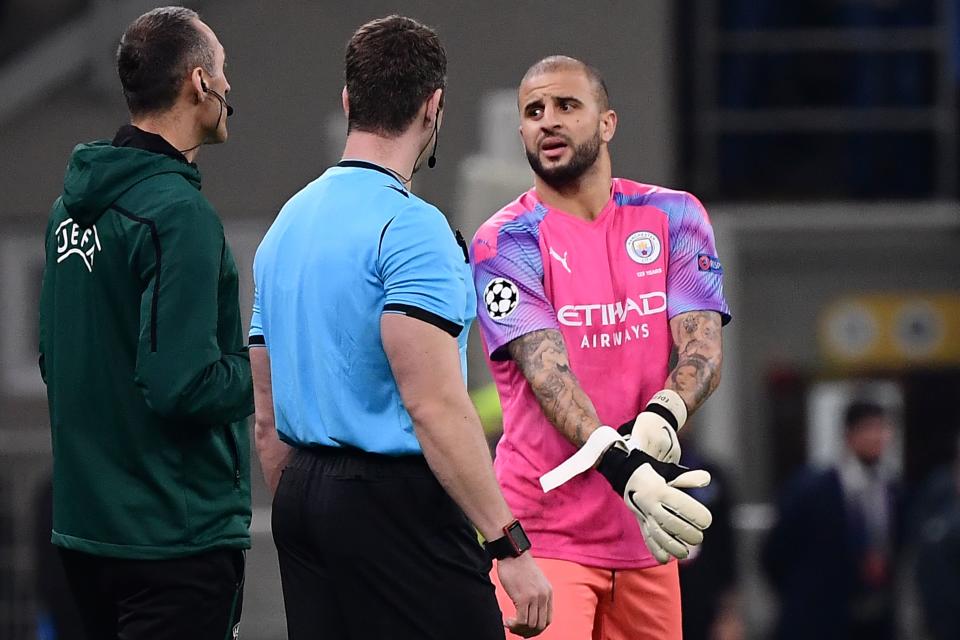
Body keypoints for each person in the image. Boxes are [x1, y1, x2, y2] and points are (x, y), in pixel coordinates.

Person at [249, 15, 551, 640]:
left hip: (301, 495)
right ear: (433, 107)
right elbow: (435, 406)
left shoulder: (287, 226)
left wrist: (311, 506)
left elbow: (265, 412)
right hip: (392, 502)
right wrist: (509, 545)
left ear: (347, 101)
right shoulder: (412, 228)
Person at [470, 55, 729, 640]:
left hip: (646, 531)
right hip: (545, 540)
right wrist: (622, 464)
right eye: (533, 112)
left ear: (607, 122)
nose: (548, 122)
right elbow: (547, 374)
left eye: (566, 105)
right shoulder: (503, 240)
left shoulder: (675, 215)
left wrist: (666, 413)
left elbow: (703, 350)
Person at [38, 7, 252, 639]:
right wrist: (266, 368)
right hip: (171, 544)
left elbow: (55, 358)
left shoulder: (64, 211)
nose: (230, 87)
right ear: (197, 83)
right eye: (223, 71)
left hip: (85, 537)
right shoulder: (178, 214)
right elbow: (181, 383)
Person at [762, 401, 900, 640]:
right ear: (849, 434)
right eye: (869, 429)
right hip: (821, 619)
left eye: (882, 429)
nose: (877, 437)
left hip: (875, 617)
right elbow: (775, 554)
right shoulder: (811, 490)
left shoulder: (891, 489)